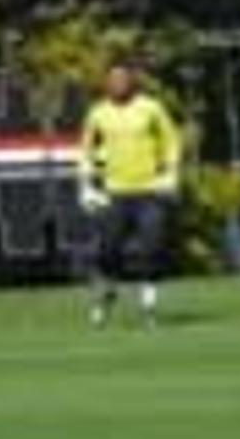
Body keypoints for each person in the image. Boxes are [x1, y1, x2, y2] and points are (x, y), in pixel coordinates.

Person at [78, 59, 186, 328]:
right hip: (115, 191)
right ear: (106, 84)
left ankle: (148, 304)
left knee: (152, 245)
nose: (117, 84)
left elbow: (171, 140)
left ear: (131, 82)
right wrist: (86, 186)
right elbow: (86, 152)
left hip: (150, 189)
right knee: (109, 248)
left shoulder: (151, 108)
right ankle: (108, 290)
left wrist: (171, 172)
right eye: (112, 80)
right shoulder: (98, 113)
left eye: (122, 79)